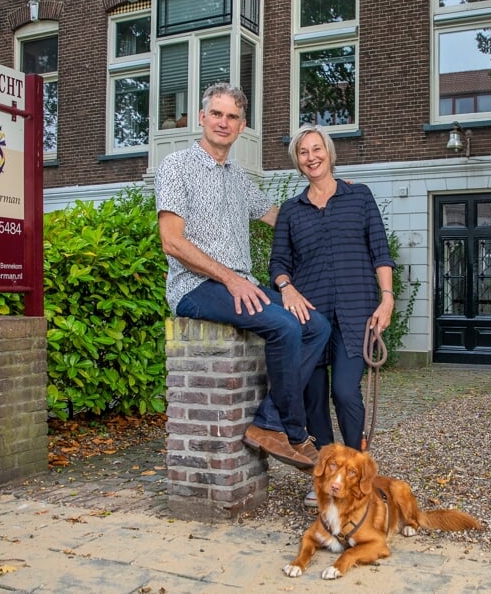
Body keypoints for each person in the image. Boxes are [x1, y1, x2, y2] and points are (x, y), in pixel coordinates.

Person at [155, 84, 331, 470]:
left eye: (232, 117)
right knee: (284, 325)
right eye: (216, 114)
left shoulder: (238, 177)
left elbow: (278, 217)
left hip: (239, 284)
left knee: (316, 325)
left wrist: (328, 199)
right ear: (201, 118)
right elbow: (171, 242)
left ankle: (267, 423)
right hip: (195, 286)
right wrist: (232, 279)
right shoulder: (177, 166)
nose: (223, 122)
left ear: (242, 126)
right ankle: (294, 433)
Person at [269, 124, 395, 504]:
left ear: (329, 153)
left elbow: (380, 249)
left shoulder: (359, 197)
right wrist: (286, 287)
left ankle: (356, 473)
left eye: (317, 149)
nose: (311, 157)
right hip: (310, 318)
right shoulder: (291, 210)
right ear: (297, 161)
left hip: (357, 313)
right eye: (303, 152)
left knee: (345, 392)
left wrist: (386, 298)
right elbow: (278, 262)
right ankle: (326, 478)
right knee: (313, 400)